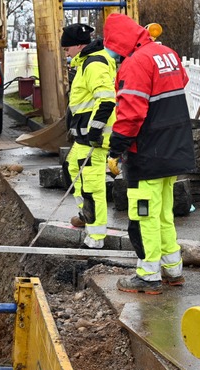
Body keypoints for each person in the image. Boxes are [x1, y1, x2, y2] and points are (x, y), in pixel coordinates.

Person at [103, 13, 195, 294]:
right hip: (173, 149)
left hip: (148, 154)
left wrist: (115, 149)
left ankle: (148, 276)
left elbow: (131, 113)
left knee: (143, 215)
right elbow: (182, 81)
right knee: (164, 213)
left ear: (119, 42)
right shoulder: (167, 54)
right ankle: (173, 270)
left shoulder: (135, 63)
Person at [61, 23, 117, 249]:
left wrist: (94, 131)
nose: (65, 52)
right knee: (71, 169)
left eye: (67, 48)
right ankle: (86, 215)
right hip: (84, 136)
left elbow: (106, 99)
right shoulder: (86, 62)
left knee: (91, 187)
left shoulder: (94, 64)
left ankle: (95, 238)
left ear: (78, 45)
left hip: (94, 137)